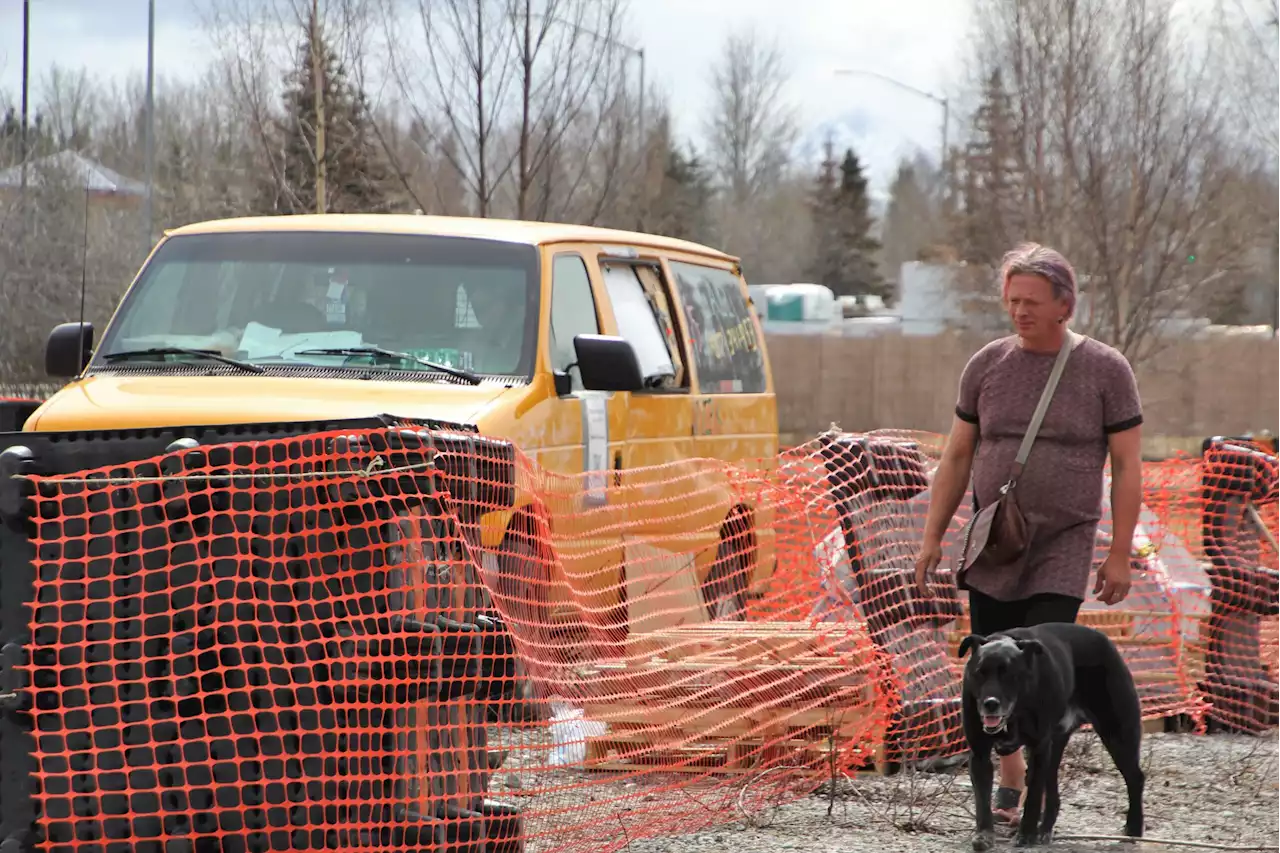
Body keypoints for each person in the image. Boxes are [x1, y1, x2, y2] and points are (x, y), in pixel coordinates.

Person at [913, 242, 1144, 827]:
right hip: (995, 539)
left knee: (1039, 660)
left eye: (1032, 301)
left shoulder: (1106, 370)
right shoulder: (987, 365)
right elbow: (958, 454)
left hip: (1065, 538)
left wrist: (1119, 552)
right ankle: (1011, 779)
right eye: (1012, 300)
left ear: (1065, 304)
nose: (1020, 312)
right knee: (992, 663)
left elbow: (1128, 467)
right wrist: (933, 536)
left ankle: (1034, 786)